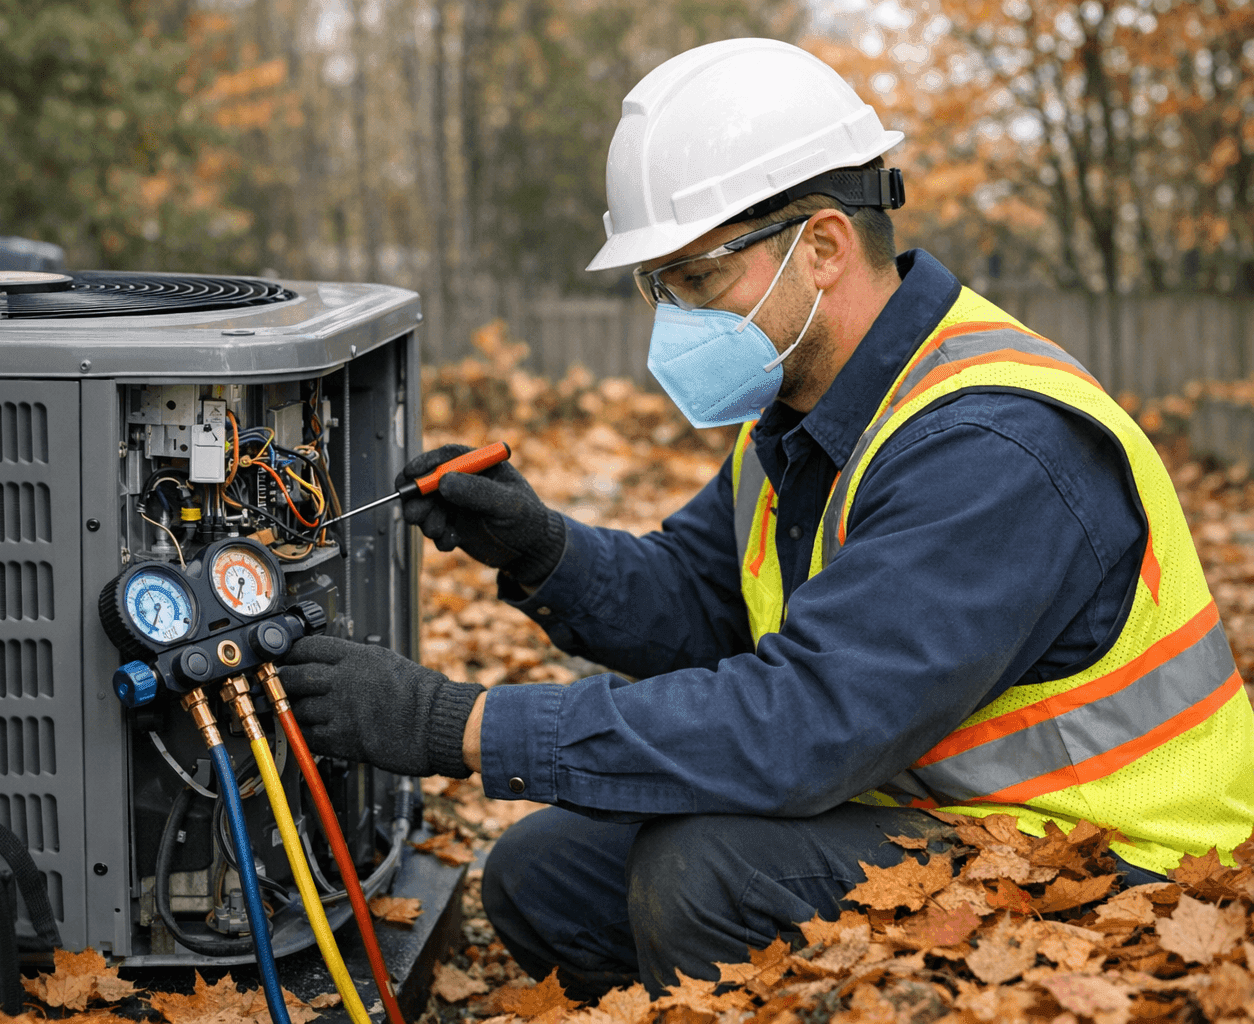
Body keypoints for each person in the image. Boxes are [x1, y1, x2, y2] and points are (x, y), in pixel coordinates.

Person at [279, 38, 1254, 998]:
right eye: (658, 286)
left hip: (1112, 884)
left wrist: (462, 726)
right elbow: (703, 603)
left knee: (703, 873)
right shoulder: (808, 411)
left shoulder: (991, 442)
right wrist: (542, 550)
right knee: (543, 876)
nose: (672, 318)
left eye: (696, 280)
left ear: (824, 245)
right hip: (937, 812)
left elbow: (803, 725)